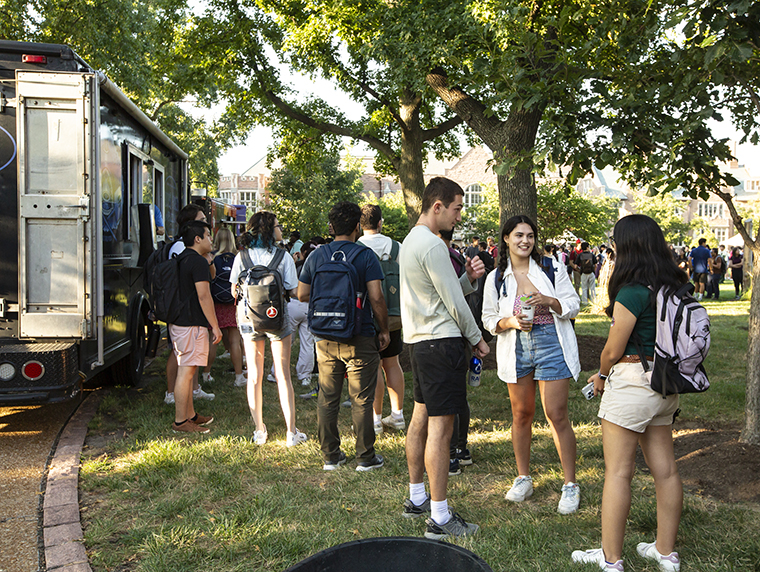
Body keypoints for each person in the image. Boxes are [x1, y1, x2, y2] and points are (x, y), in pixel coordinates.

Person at [572, 214, 686, 572]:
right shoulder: (674, 285)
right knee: (665, 471)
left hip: (633, 382)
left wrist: (602, 376)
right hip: (665, 383)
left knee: (618, 473)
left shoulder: (632, 291)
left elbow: (611, 349)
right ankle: (666, 553)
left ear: (627, 246)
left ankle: (611, 559)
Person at [399, 177, 489, 540]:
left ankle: (417, 497)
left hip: (421, 344)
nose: (459, 215)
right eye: (456, 208)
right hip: (442, 344)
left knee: (421, 417)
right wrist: (478, 339)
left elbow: (441, 293)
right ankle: (439, 516)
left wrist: (465, 280)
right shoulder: (434, 246)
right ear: (437, 206)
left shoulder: (410, 242)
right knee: (441, 428)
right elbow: (453, 304)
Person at [481, 215, 581, 515]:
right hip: (517, 345)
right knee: (521, 413)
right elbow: (488, 319)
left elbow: (573, 303)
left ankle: (570, 484)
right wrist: (509, 321)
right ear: (507, 239)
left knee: (556, 414)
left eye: (530, 236)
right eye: (518, 235)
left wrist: (549, 301)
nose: (525, 241)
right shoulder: (496, 278)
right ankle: (523, 477)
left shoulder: (552, 268)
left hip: (551, 342)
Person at [298, 201, 390, 471]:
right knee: (361, 398)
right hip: (359, 335)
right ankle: (365, 457)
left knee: (328, 396)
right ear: (358, 227)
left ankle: (330, 456)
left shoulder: (317, 256)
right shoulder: (365, 256)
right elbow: (376, 297)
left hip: (325, 336)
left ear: (330, 227)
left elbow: (302, 294)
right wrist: (383, 329)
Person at [230, 211, 307, 447]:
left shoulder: (241, 257)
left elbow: (234, 291)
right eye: (278, 226)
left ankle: (259, 430)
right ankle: (291, 432)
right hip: (277, 317)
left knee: (254, 375)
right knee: (283, 375)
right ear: (269, 230)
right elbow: (293, 290)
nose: (281, 230)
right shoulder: (283, 257)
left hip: (250, 319)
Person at [169, 220, 222, 433]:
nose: (211, 239)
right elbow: (204, 295)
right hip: (191, 323)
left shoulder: (182, 259)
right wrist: (215, 327)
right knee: (187, 372)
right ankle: (181, 422)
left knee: (189, 371)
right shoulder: (197, 262)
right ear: (197, 239)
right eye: (208, 235)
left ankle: (190, 415)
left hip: (180, 321)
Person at [357, 204, 406, 435]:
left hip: (366, 316)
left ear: (360, 224)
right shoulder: (397, 247)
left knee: (373, 366)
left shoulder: (356, 248)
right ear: (380, 223)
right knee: (392, 362)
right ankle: (397, 415)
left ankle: (375, 419)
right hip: (394, 315)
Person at [164, 204, 215, 405]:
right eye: (202, 220)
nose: (205, 222)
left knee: (188, 366)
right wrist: (215, 326)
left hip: (184, 318)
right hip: (188, 318)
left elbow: (210, 277)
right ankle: (181, 414)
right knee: (184, 367)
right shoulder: (188, 255)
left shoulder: (190, 256)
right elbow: (203, 295)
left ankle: (189, 410)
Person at [210, 227, 246, 387]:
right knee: (234, 341)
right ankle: (239, 376)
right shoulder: (238, 258)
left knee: (213, 340)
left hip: (215, 303)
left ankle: (206, 373)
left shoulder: (212, 259)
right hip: (232, 303)